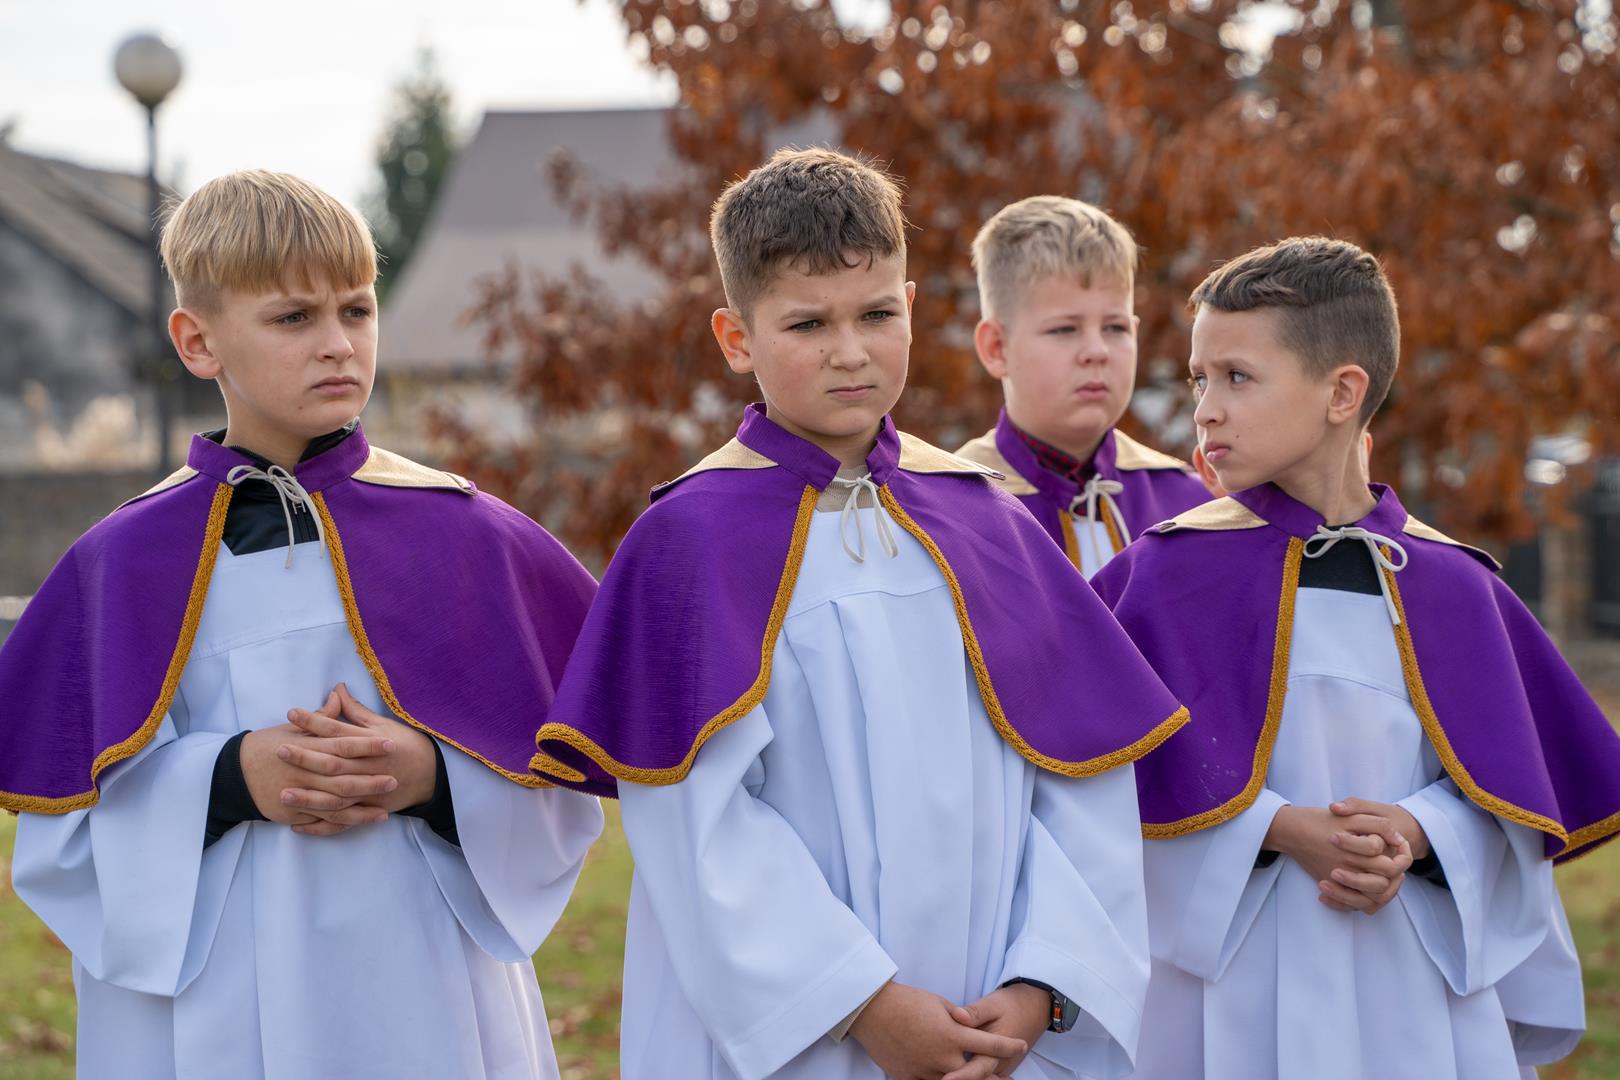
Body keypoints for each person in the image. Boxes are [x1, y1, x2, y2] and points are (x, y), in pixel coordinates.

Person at [530, 148, 1188, 1080]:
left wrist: (1044, 983)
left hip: (999, 1022)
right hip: (802, 1038)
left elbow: (1082, 776)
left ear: (912, 306)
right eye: (809, 322)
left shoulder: (989, 522)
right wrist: (863, 1004)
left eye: (877, 314)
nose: (851, 351)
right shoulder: (690, 543)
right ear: (736, 337)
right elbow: (697, 829)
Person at [2, 170, 603, 1080]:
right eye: (293, 318)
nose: (337, 345)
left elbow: (559, 785)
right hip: (212, 1012)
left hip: (427, 989)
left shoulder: (465, 535)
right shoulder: (121, 564)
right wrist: (230, 778)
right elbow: (63, 841)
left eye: (356, 310)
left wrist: (434, 778)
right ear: (197, 341)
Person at [1090, 236, 1613, 1079]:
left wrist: (1419, 832)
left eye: (1238, 377)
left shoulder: (1453, 585)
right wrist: (1276, 829)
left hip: (1409, 986)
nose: (1206, 411)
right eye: (1199, 379)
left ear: (1342, 393)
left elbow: (1512, 802)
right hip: (1228, 993)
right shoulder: (1163, 577)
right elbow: (1106, 792)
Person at [955, 196, 1208, 577]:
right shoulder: (955, 509)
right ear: (996, 348)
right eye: (1064, 329)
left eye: (1115, 328)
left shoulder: (1191, 505)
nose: (1097, 351)